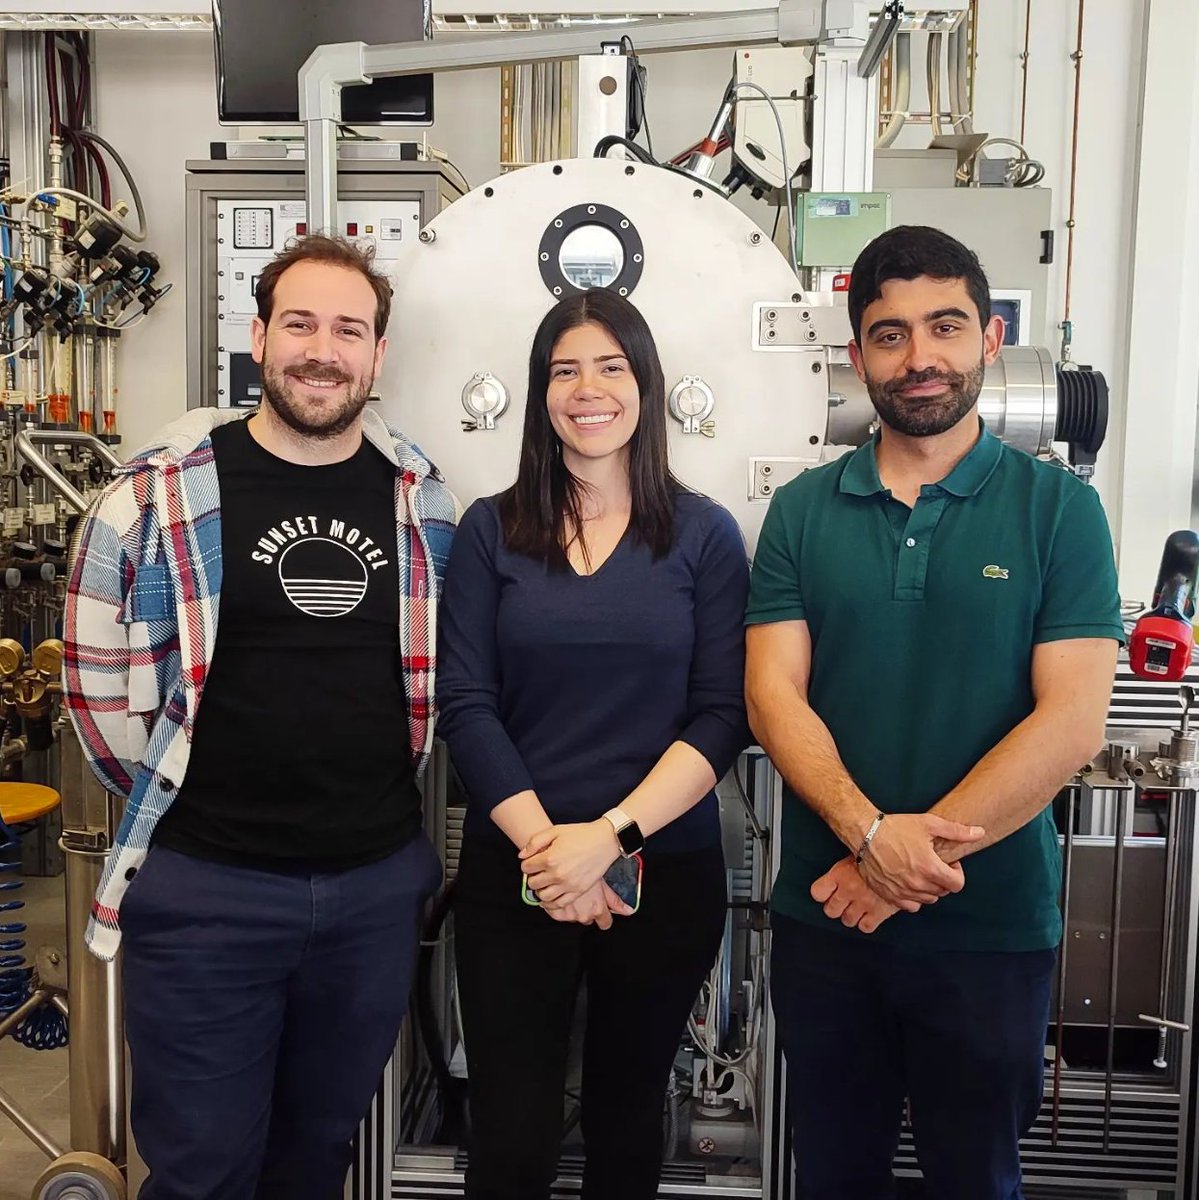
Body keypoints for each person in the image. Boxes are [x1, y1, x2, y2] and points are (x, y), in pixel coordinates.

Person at [63, 234, 455, 1200]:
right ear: (259, 337)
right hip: (207, 892)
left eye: (348, 330)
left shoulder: (424, 501)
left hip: (371, 890)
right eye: (301, 324)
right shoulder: (151, 495)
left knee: (313, 1162)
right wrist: (176, 800)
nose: (323, 350)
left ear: (377, 354)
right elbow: (93, 685)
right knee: (202, 1172)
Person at [744, 225, 1123, 1200]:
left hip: (987, 932)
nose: (919, 358)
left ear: (989, 336)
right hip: (827, 928)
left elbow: (1072, 719)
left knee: (974, 1180)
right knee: (831, 1176)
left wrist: (903, 865)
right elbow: (771, 694)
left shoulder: (1057, 512)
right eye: (888, 334)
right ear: (855, 354)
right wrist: (867, 832)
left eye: (944, 326)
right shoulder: (800, 512)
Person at [436, 288, 750, 1200]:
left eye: (611, 366)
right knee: (511, 1130)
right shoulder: (490, 531)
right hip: (516, 872)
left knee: (626, 1120)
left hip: (662, 866)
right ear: (539, 393)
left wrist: (605, 842)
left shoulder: (703, 536)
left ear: (645, 385)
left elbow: (720, 713)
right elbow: (465, 701)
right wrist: (549, 853)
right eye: (564, 369)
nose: (588, 389)